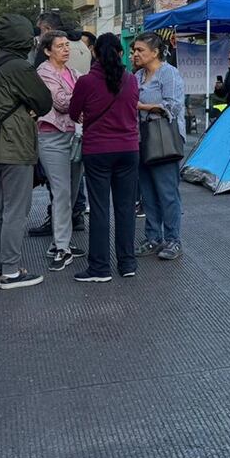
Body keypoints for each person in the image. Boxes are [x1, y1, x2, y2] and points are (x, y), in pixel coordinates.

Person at [0, 13, 53, 289]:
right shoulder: (19, 67)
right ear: (21, 38)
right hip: (14, 143)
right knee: (16, 210)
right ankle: (11, 271)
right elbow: (44, 101)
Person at [68, 33, 140, 283]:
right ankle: (127, 263)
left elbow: (73, 112)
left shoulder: (86, 82)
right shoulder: (131, 80)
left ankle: (100, 267)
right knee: (125, 208)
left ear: (95, 53)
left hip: (98, 150)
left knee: (99, 210)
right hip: (129, 149)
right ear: (120, 53)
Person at [132, 32, 185, 261]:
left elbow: (171, 108)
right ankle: (153, 238)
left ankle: (174, 239)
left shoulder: (169, 74)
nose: (135, 54)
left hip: (164, 139)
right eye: (134, 50)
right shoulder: (135, 77)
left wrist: (141, 106)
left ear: (155, 52)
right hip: (141, 139)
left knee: (167, 192)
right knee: (147, 192)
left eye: (140, 50)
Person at [35, 30, 84, 271]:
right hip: (52, 136)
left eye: (67, 45)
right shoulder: (44, 72)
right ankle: (61, 247)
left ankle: (60, 241)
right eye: (60, 46)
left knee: (71, 192)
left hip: (74, 135)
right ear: (47, 50)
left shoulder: (73, 72)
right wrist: (81, 97)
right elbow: (62, 102)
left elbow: (77, 99)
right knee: (62, 191)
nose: (66, 49)